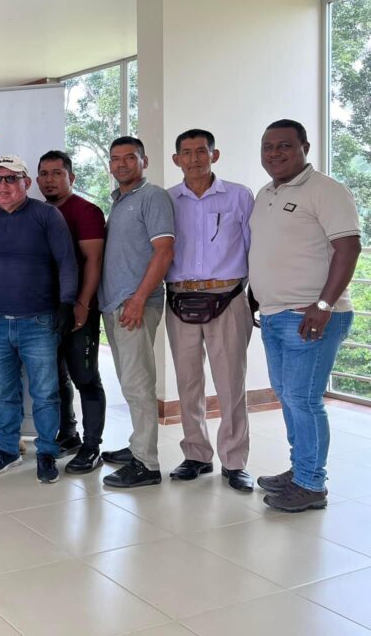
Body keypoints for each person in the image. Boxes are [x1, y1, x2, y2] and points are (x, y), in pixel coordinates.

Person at [250, 119, 361, 512]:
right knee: (289, 397)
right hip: (275, 315)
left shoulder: (327, 191)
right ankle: (301, 470)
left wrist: (324, 305)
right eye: (267, 146)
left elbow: (349, 249)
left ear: (305, 148)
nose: (274, 153)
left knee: (304, 399)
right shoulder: (266, 192)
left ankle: (312, 484)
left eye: (284, 146)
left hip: (310, 316)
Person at [0, 156, 77, 483]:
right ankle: (10, 451)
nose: (2, 186)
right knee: (2, 393)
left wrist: (67, 303)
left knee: (45, 392)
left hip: (38, 323)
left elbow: (67, 263)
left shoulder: (47, 216)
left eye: (10, 179)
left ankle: (45, 453)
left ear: (26, 183)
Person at [165, 130, 255, 492]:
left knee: (231, 382)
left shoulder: (238, 196)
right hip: (179, 298)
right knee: (188, 383)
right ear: (176, 160)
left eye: (201, 151)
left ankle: (234, 461)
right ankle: (197, 454)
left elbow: (254, 248)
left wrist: (254, 296)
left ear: (214, 155)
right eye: (186, 153)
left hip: (228, 298)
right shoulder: (168, 200)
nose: (194, 158)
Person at [98, 136, 175, 489]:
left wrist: (139, 299)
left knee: (139, 383)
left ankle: (146, 464)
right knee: (131, 383)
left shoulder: (153, 196)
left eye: (130, 158)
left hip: (135, 304)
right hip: (116, 304)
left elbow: (164, 252)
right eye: (116, 159)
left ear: (144, 161)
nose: (122, 164)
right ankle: (137, 446)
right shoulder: (120, 202)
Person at [37, 150, 107, 474]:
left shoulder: (86, 211)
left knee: (85, 377)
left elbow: (94, 261)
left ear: (71, 177)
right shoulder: (37, 212)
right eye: (44, 174)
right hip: (44, 313)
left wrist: (82, 305)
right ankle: (69, 433)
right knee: (56, 377)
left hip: (80, 310)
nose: (50, 180)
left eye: (56, 173)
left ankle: (92, 446)